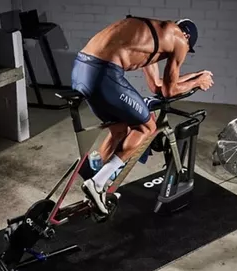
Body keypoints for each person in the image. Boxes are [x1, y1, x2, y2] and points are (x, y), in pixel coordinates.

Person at [71, 16, 214, 214]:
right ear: (187, 37)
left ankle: (95, 180)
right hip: (104, 73)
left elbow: (157, 85)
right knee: (148, 127)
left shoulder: (154, 35)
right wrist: (198, 83)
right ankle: (97, 183)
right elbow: (169, 92)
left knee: (119, 129)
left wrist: (195, 75)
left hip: (81, 69)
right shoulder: (180, 39)